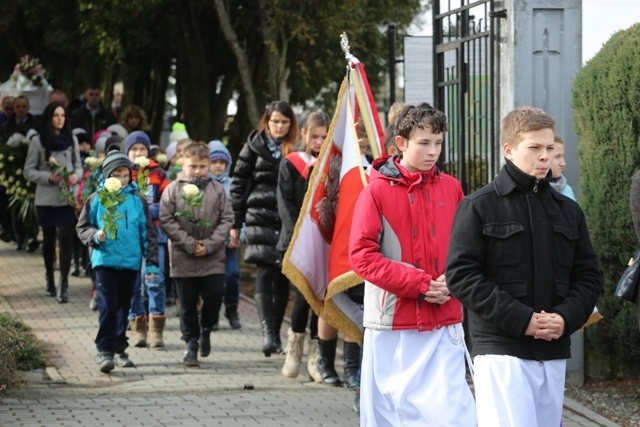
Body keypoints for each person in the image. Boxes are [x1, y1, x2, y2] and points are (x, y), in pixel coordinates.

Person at [446, 106, 602, 427]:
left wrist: (566, 318)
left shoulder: (569, 211)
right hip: (501, 349)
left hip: (553, 349)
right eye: (534, 148)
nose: (544, 157)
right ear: (509, 150)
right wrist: (522, 320)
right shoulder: (478, 206)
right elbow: (462, 277)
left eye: (549, 148)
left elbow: (588, 277)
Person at [349, 103, 476, 426]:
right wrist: (420, 285)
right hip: (393, 324)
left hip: (444, 319)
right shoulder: (374, 191)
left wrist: (452, 281)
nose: (433, 151)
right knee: (392, 417)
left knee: (454, 416)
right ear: (401, 143)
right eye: (424, 143)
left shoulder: (452, 187)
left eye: (438, 143)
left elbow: (469, 247)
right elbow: (361, 255)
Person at [76, 150, 159, 373]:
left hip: (130, 263)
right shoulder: (96, 199)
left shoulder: (138, 201)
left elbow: (148, 234)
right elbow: (82, 228)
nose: (121, 179)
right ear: (106, 176)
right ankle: (104, 349)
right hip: (104, 261)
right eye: (116, 174)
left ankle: (120, 347)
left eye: (125, 174)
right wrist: (95, 235)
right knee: (108, 306)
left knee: (124, 306)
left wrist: (151, 264)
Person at [230, 101, 299, 357]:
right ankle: (268, 333)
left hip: (286, 218)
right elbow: (238, 183)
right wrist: (236, 224)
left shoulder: (297, 148)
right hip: (259, 214)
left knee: (283, 273)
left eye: (284, 122)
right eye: (275, 122)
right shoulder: (253, 146)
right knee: (264, 271)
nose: (279, 127)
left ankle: (277, 332)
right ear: (266, 122)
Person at [160, 142, 234, 366]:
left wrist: (210, 244)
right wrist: (190, 244)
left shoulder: (217, 190)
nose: (198, 171)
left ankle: (206, 329)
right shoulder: (173, 189)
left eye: (203, 166)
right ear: (183, 163)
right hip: (183, 256)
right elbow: (166, 218)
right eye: (193, 166)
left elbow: (227, 219)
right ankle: (191, 342)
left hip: (212, 256)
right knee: (187, 303)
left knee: (214, 295)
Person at [277, 111, 329, 380]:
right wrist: (298, 233)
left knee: (320, 299)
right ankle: (294, 350)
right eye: (315, 136)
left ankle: (315, 356)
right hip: (299, 240)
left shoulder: (333, 165)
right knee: (302, 296)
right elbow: (284, 202)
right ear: (305, 134)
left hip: (325, 241)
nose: (319, 141)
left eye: (324, 136)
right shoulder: (292, 163)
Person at [23, 102, 83, 302]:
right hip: (47, 197)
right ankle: (49, 276)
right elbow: (28, 171)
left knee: (66, 238)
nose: (59, 119)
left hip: (66, 197)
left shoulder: (71, 139)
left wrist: (75, 176)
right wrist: (49, 177)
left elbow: (78, 166)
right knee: (48, 240)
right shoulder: (38, 141)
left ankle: (63, 282)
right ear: (49, 118)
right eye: (55, 115)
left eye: (62, 115)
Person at [124, 130, 170, 348]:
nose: (138, 153)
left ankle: (156, 330)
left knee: (154, 279)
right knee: (133, 283)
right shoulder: (122, 175)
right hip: (130, 238)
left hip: (156, 235)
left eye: (142, 149)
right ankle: (138, 328)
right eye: (134, 149)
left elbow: (168, 202)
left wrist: (149, 210)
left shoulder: (158, 174)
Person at [207, 139, 242, 330]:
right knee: (214, 280)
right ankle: (211, 315)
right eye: (214, 162)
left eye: (222, 162)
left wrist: (238, 235)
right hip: (211, 241)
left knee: (232, 275)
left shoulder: (233, 185)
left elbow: (239, 213)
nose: (218, 166)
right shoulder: (204, 184)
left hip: (229, 242)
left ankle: (231, 308)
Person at [549, 135, 576, 200]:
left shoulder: (567, 190)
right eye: (557, 156)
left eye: (562, 156)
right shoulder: (531, 193)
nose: (563, 163)